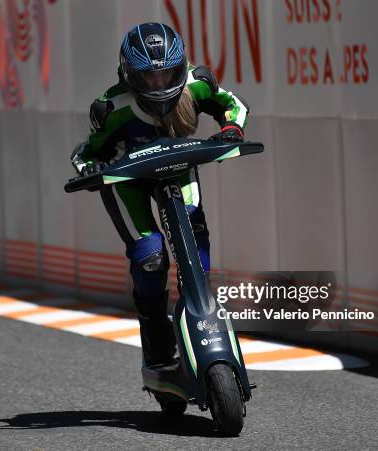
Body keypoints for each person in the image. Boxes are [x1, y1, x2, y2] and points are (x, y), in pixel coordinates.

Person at [70, 22, 249, 366]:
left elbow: (235, 105)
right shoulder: (110, 107)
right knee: (150, 258)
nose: (159, 84)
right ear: (128, 75)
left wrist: (231, 128)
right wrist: (89, 169)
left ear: (180, 67)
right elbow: (84, 153)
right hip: (130, 183)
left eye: (167, 75)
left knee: (194, 242)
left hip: (178, 172)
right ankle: (155, 337)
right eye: (149, 78)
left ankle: (200, 314)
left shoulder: (199, 83)